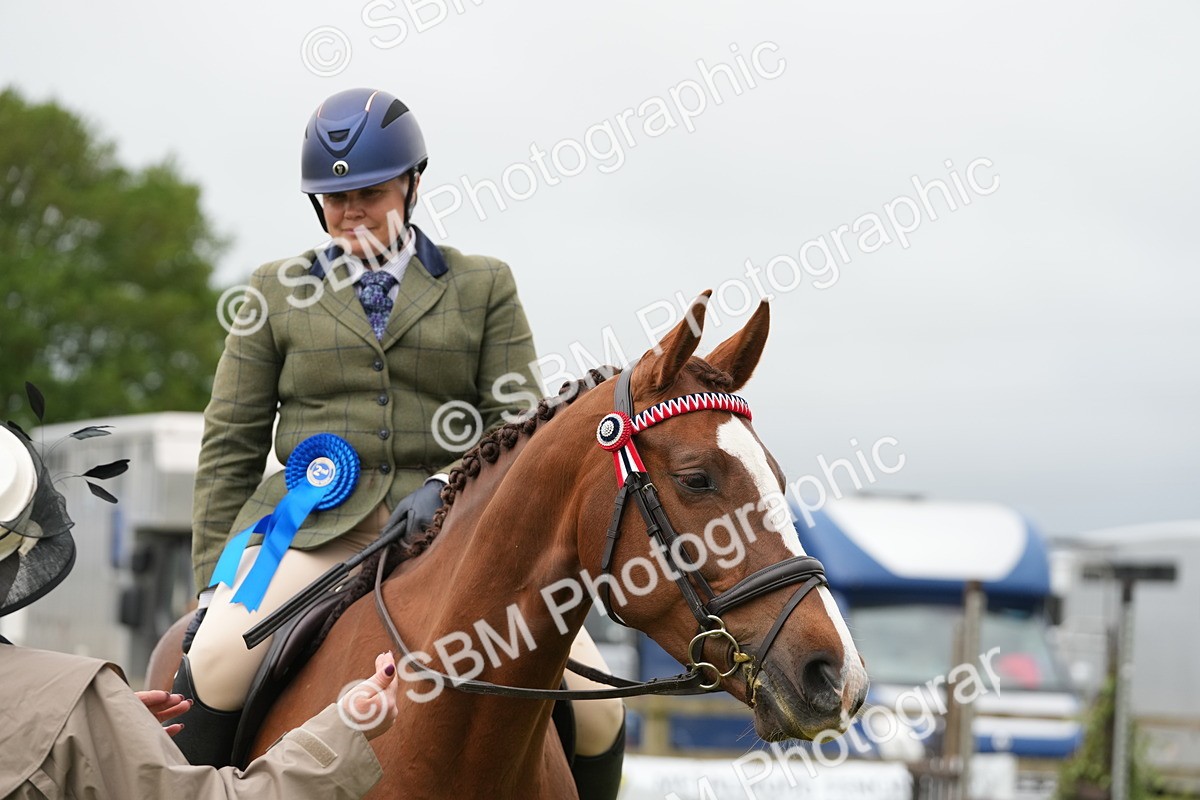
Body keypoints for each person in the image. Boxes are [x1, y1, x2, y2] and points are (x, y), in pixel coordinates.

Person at [175, 87, 625, 798]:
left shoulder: (482, 285)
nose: (351, 212)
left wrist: (447, 484)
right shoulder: (273, 291)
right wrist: (213, 579)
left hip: (455, 537)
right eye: (335, 198)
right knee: (215, 664)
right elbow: (231, 442)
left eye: (370, 193)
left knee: (601, 710)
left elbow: (520, 426)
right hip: (312, 535)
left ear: (412, 184)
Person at [0, 420, 399, 799]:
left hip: (431, 506)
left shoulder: (54, 698)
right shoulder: (74, 699)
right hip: (318, 526)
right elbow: (231, 444)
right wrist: (347, 727)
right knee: (217, 658)